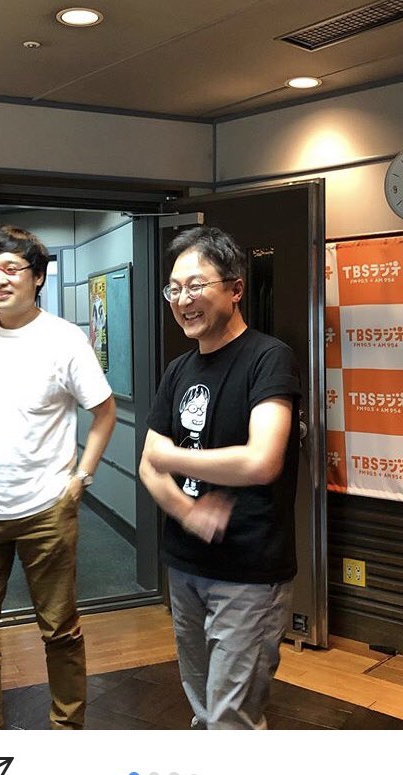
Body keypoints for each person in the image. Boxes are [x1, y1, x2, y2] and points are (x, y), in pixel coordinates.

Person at [0, 226, 116, 730]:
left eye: (12, 268)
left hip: (46, 510)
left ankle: (66, 727)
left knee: (60, 630)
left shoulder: (64, 339)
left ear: (38, 277)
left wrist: (81, 478)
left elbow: (104, 412)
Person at [139, 225, 301, 730]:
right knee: (205, 708)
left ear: (235, 288)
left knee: (232, 717)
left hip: (249, 569)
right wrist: (188, 512)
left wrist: (175, 458)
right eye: (174, 289)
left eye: (196, 285)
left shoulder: (269, 358)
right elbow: (147, 464)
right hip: (185, 564)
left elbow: (262, 460)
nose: (182, 299)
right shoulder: (178, 370)